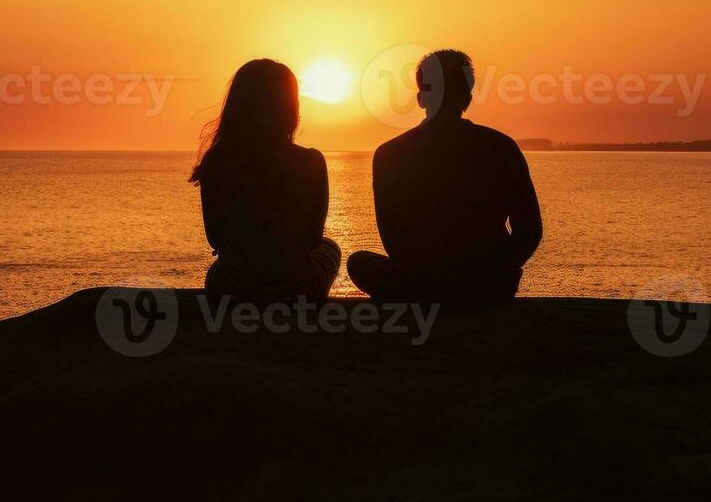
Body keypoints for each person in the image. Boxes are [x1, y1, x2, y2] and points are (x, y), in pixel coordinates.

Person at [348, 49, 542, 311]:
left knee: (358, 262)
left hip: (420, 284)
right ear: (467, 98)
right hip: (488, 286)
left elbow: (393, 241)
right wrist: (499, 270)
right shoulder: (501, 146)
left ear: (420, 98)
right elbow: (529, 231)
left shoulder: (389, 154)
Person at [192, 59, 340, 302]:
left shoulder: (217, 160)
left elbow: (216, 237)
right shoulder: (310, 161)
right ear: (290, 107)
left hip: (232, 289)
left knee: (217, 272)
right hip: (298, 290)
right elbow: (314, 238)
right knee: (330, 248)